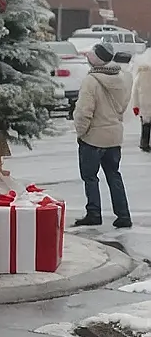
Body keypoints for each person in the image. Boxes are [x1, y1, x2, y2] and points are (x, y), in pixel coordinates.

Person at [73, 40, 133, 228]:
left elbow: (84, 111)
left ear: (96, 59)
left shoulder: (91, 81)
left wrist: (81, 132)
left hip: (93, 137)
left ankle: (94, 213)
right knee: (114, 174)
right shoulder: (122, 77)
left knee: (90, 177)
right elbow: (124, 105)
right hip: (114, 136)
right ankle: (123, 215)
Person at [130, 49, 151, 152]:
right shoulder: (142, 74)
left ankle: (144, 143)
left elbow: (135, 92)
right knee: (146, 125)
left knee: (145, 125)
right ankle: (145, 143)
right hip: (145, 105)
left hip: (144, 105)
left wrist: (135, 105)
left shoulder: (140, 75)